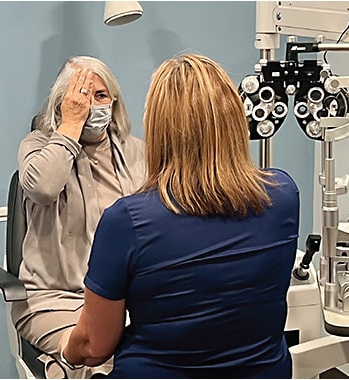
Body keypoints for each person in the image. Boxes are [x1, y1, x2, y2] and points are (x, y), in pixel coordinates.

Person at [57, 53, 300, 378]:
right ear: (233, 119)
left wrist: (63, 350)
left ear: (159, 129)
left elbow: (93, 346)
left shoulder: (126, 220)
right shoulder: (284, 194)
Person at [11, 55, 146, 378]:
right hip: (55, 298)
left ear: (113, 102)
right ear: (62, 103)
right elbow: (43, 187)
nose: (90, 105)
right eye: (79, 96)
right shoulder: (36, 146)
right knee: (98, 356)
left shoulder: (137, 152)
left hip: (127, 297)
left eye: (99, 96)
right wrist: (69, 126)